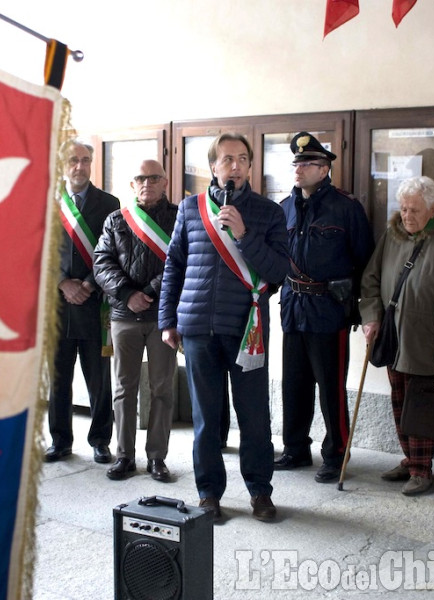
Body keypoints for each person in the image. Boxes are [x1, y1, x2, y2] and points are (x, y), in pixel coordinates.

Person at [159, 132, 289, 521]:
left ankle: (259, 492)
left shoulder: (269, 212)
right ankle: (209, 493)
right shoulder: (189, 208)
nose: (235, 165)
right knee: (205, 418)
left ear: (250, 166)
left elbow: (279, 271)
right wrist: (167, 319)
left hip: (246, 329)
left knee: (254, 416)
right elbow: (174, 266)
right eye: (227, 159)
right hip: (198, 327)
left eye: (242, 159)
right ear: (213, 166)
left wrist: (244, 235)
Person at [275, 132, 374, 483]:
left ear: (324, 168)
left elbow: (365, 261)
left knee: (331, 388)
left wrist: (361, 311)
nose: (299, 169)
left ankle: (335, 454)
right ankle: (295, 448)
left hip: (329, 309)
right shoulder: (284, 208)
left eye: (307, 164)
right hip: (293, 307)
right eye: (296, 163)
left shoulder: (346, 208)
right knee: (294, 384)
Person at [361, 176, 434, 495]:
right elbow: (370, 279)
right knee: (398, 402)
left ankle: (423, 469)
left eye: (415, 210)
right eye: (403, 208)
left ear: (432, 209)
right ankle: (410, 459)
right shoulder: (391, 237)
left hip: (424, 339)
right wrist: (371, 318)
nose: (407, 216)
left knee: (420, 405)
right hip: (394, 337)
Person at [93, 160, 179, 481]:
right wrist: (128, 293)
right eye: (140, 178)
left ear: (164, 181)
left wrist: (150, 292)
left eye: (153, 177)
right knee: (123, 389)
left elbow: (180, 261)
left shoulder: (178, 217)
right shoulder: (117, 220)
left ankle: (157, 457)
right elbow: (101, 263)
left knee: (161, 389)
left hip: (162, 315)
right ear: (132, 185)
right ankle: (124, 456)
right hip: (123, 315)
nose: (147, 183)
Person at [44, 140, 120, 464]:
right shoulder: (47, 202)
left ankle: (100, 440)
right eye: (73, 160)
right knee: (58, 377)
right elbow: (36, 253)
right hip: (57, 306)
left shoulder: (109, 203)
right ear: (63, 164)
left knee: (100, 378)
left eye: (85, 160)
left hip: (95, 303)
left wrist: (88, 283)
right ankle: (60, 441)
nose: (80, 166)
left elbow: (115, 252)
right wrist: (62, 282)